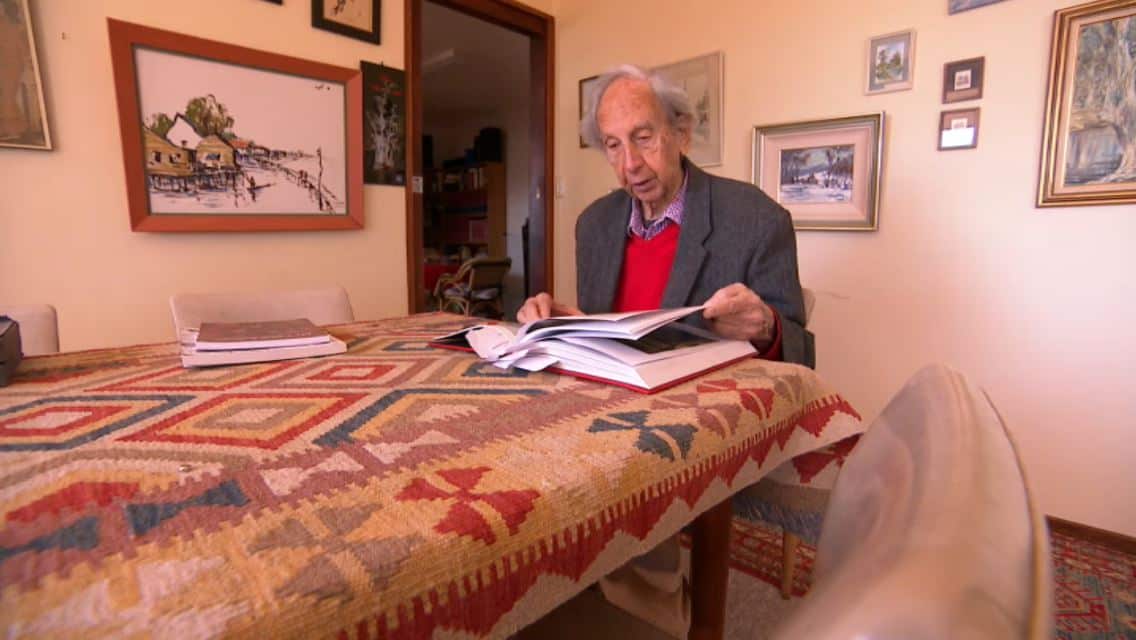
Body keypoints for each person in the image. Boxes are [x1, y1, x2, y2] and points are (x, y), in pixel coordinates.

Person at [517, 64, 813, 367]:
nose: (630, 164)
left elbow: (800, 353)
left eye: (643, 137)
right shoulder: (594, 224)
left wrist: (767, 329)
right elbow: (604, 342)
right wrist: (562, 326)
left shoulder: (757, 218)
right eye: (613, 145)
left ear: (681, 134)